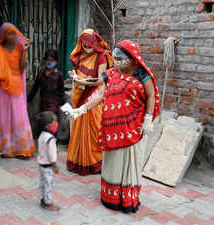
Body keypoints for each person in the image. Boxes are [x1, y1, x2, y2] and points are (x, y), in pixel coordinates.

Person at [69, 40, 161, 213]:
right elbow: (100, 95)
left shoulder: (142, 74)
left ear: (132, 58)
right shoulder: (111, 74)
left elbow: (151, 95)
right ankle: (109, 198)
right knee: (113, 163)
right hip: (112, 127)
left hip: (133, 127)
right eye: (115, 58)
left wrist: (148, 118)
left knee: (129, 164)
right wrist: (81, 109)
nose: (117, 62)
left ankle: (126, 200)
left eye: (120, 58)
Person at [66, 29, 113, 176]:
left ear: (94, 44)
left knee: (94, 129)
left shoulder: (101, 57)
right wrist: (74, 76)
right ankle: (78, 160)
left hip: (94, 95)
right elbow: (75, 71)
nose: (86, 49)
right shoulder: (79, 55)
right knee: (78, 127)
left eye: (89, 46)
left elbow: (101, 79)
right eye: (84, 45)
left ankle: (94, 163)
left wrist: (84, 81)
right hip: (79, 93)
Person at [0, 22, 36, 159]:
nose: (12, 36)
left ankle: (21, 148)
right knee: (2, 117)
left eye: (13, 33)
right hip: (1, 88)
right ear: (3, 35)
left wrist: (26, 51)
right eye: (9, 33)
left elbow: (22, 68)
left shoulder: (20, 48)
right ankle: (4, 148)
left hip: (17, 88)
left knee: (19, 116)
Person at [27, 49, 65, 115]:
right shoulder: (41, 74)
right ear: (45, 60)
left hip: (54, 106)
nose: (49, 62)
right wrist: (29, 100)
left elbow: (61, 91)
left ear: (56, 61)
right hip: (43, 105)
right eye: (48, 60)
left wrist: (61, 104)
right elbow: (35, 88)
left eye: (52, 60)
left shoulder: (59, 75)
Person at [36, 111, 60, 211]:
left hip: (41, 165)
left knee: (42, 183)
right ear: (48, 126)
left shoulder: (42, 135)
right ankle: (48, 203)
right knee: (49, 184)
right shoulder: (51, 139)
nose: (56, 123)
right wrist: (55, 166)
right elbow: (52, 155)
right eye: (55, 121)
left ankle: (42, 199)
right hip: (48, 166)